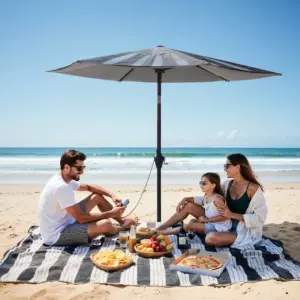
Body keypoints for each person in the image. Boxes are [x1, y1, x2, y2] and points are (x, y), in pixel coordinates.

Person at [38, 149, 136, 246]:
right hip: (57, 234)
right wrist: (110, 213)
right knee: (106, 224)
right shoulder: (61, 187)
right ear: (67, 167)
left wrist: (112, 195)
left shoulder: (64, 179)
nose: (82, 172)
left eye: (83, 167)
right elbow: (81, 218)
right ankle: (122, 228)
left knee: (97, 197)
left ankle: (122, 221)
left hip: (67, 220)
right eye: (79, 169)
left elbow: (89, 187)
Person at [206, 153, 268, 248]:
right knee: (189, 207)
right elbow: (211, 196)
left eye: (227, 166)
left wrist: (231, 215)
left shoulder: (253, 189)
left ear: (237, 167)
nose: (224, 169)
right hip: (225, 225)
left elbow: (260, 218)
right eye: (224, 166)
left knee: (210, 238)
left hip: (242, 231)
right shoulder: (227, 184)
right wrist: (188, 199)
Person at [156, 173, 231, 235]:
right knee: (189, 206)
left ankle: (164, 232)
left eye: (204, 183)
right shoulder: (207, 196)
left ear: (213, 185)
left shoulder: (217, 199)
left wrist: (207, 219)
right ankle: (160, 228)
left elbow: (225, 217)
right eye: (200, 183)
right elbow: (197, 199)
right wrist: (185, 199)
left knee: (191, 225)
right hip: (210, 222)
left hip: (220, 227)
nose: (201, 185)